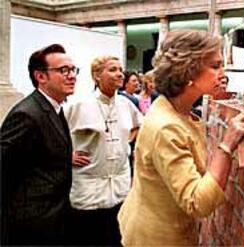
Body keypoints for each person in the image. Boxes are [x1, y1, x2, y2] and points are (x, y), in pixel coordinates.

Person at [118, 29, 244, 246]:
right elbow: (198, 202)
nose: (223, 73)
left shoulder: (175, 110)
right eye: (215, 66)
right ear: (188, 73)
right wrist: (226, 146)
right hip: (156, 239)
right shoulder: (167, 127)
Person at [1, 44, 76, 245]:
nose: (72, 76)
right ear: (40, 76)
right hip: (32, 222)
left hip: (53, 217)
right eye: (63, 70)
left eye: (73, 69)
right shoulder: (27, 114)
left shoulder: (54, 107)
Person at [64, 55, 143, 245]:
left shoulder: (126, 104)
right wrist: (65, 156)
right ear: (96, 75)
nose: (119, 74)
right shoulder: (78, 104)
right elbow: (53, 134)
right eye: (113, 69)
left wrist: (126, 145)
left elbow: (140, 125)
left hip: (119, 188)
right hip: (88, 190)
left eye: (120, 70)